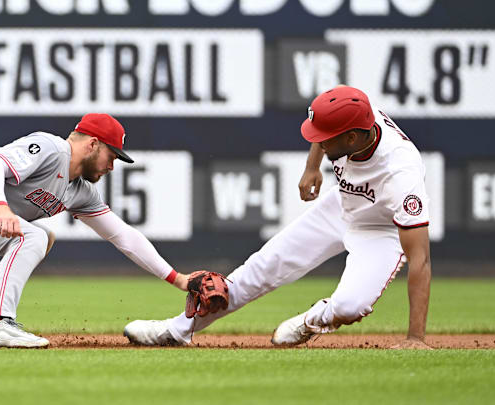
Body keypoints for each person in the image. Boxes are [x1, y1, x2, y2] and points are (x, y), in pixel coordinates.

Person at [124, 85, 432, 349]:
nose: (319, 143)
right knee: (262, 266)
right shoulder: (360, 114)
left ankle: (314, 319)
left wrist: (416, 338)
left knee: (350, 306)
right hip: (342, 205)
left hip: (380, 228)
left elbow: (420, 259)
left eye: (326, 139)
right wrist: (312, 166)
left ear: (352, 138)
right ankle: (177, 330)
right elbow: (325, 126)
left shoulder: (401, 173)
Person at [0, 113, 190, 348]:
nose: (112, 166)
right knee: (32, 236)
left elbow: (123, 235)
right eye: (111, 156)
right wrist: (0, 206)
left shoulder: (81, 191)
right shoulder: (51, 149)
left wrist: (178, 279)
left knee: (42, 237)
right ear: (92, 144)